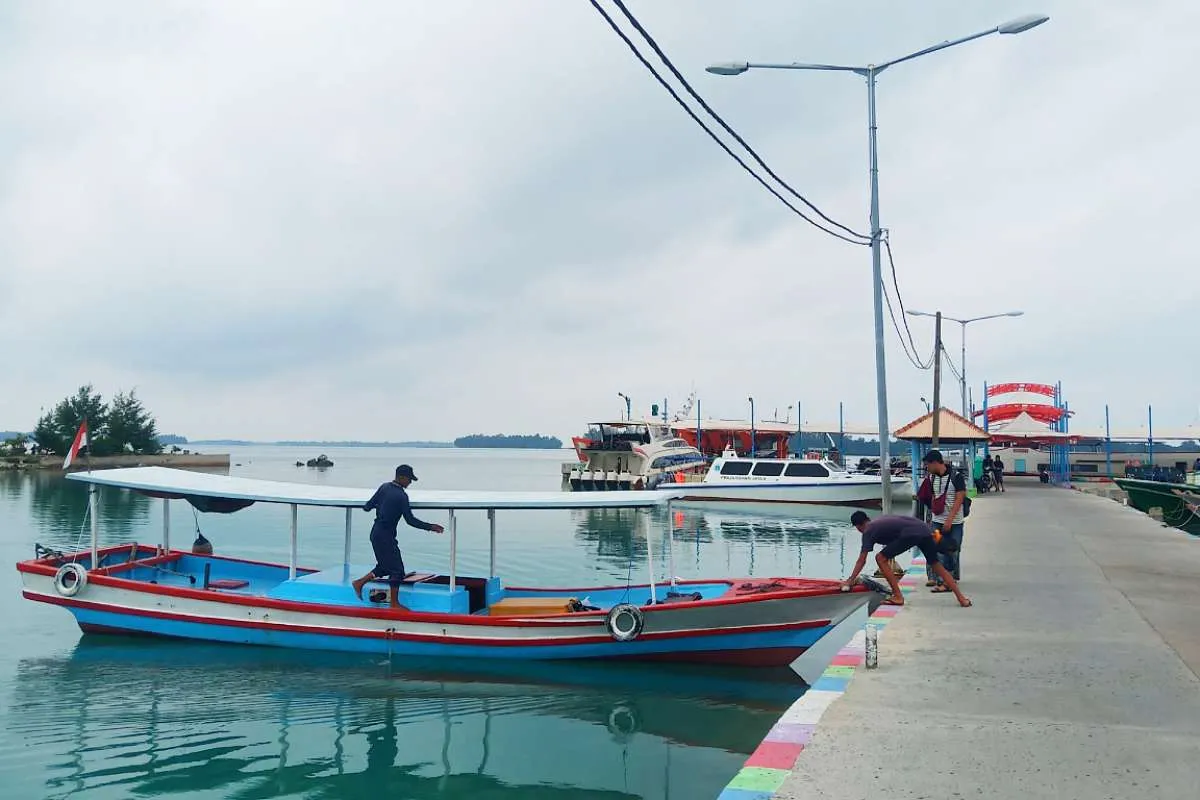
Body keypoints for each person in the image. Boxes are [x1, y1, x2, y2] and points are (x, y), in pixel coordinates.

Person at [352, 464, 444, 609]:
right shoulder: (401, 496)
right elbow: (410, 520)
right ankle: (394, 604)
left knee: (384, 567)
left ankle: (359, 583)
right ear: (401, 477)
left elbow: (367, 506)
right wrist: (431, 527)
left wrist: (382, 505)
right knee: (397, 570)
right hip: (385, 536)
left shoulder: (384, 487)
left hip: (376, 533)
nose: (410, 482)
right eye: (409, 479)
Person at [843, 511, 971, 607]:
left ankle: (898, 596)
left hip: (911, 534)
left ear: (858, 526)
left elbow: (862, 560)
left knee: (880, 558)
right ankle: (962, 599)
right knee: (936, 565)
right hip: (925, 530)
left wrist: (850, 580)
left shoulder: (868, 530)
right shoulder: (878, 521)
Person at [923, 449, 967, 591]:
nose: (927, 467)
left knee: (953, 550)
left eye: (928, 464)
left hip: (955, 522)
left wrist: (950, 519)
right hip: (937, 521)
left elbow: (960, 498)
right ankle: (943, 581)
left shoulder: (956, 477)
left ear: (935, 462)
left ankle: (950, 578)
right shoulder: (931, 478)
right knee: (938, 551)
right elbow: (931, 497)